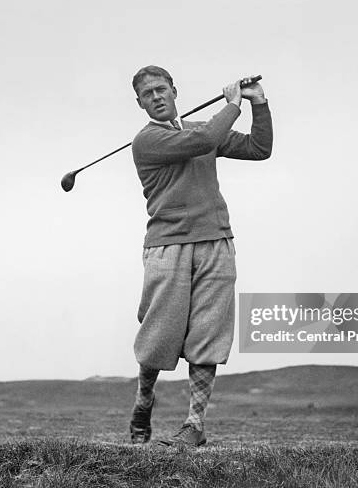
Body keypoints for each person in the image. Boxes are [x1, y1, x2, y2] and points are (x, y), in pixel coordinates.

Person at [129, 65, 273, 447]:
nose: (157, 97)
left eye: (161, 89)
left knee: (209, 333)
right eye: (148, 94)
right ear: (140, 103)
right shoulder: (147, 141)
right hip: (167, 246)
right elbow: (208, 136)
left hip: (216, 241)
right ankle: (144, 401)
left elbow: (260, 149)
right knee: (158, 335)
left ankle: (194, 424)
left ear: (174, 91)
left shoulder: (199, 131)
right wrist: (232, 105)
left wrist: (259, 104)